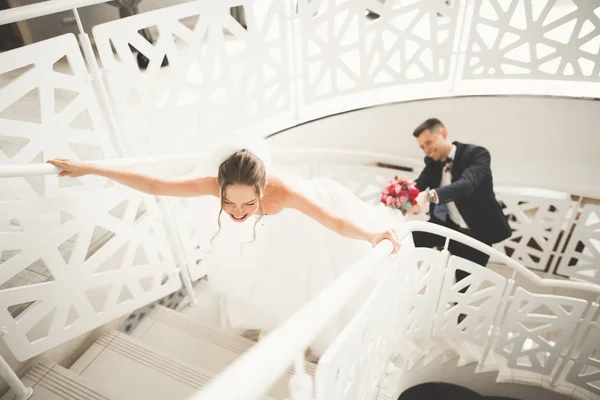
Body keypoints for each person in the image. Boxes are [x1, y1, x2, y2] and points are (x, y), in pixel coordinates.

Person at [47, 134, 402, 358]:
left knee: (314, 274)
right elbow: (156, 184)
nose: (236, 212)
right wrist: (90, 168)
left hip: (309, 226)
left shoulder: (286, 194)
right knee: (271, 279)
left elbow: (335, 222)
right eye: (229, 203)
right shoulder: (212, 184)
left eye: (248, 205)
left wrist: (372, 236)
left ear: (263, 191)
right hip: (276, 234)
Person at [409, 118, 511, 291]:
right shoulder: (433, 162)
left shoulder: (477, 154)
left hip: (477, 233)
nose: (426, 151)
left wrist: (428, 196)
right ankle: (407, 284)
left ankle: (457, 315)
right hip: (447, 226)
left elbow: (466, 185)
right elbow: (418, 185)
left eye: (428, 143)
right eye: (422, 147)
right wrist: (401, 193)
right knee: (407, 239)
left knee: (462, 292)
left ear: (443, 134)